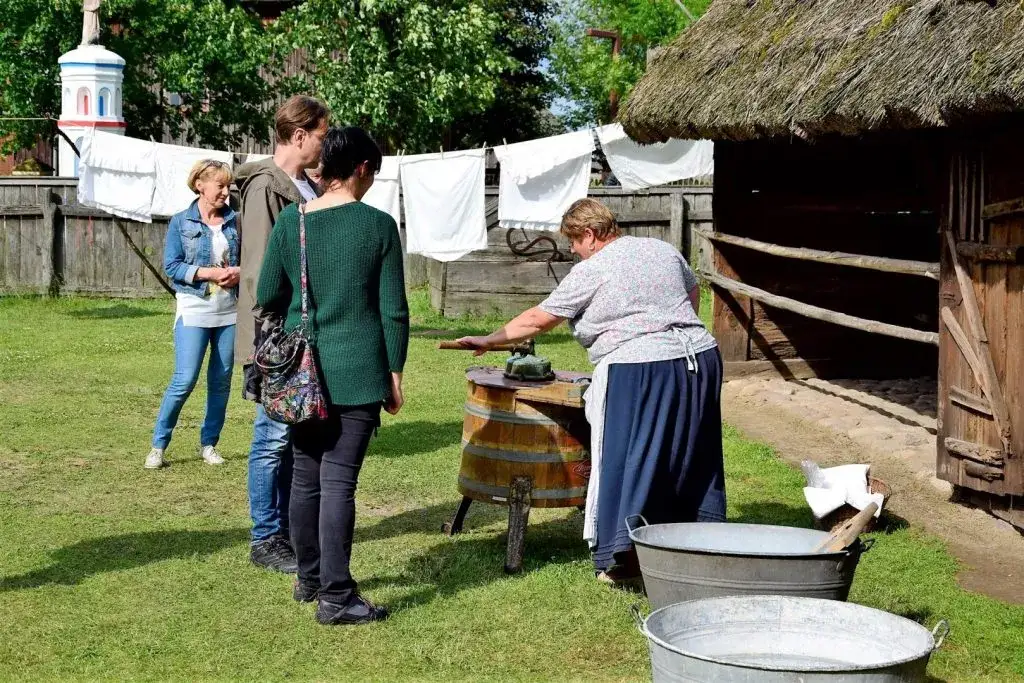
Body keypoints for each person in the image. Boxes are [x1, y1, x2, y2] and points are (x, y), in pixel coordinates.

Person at [456, 198, 725, 586]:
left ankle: (624, 559)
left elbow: (537, 319)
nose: (573, 251)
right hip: (700, 358)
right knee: (689, 455)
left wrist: (488, 339)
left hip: (643, 368)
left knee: (628, 458)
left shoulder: (593, 268)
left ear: (591, 234)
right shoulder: (661, 249)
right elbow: (692, 292)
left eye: (574, 242)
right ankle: (694, 546)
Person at [256, 126, 409, 625]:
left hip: (301, 375)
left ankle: (310, 578)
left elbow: (268, 294)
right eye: (373, 173)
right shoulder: (378, 226)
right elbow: (393, 310)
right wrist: (395, 372)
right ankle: (337, 596)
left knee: (305, 478)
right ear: (362, 169)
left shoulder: (292, 222)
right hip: (359, 372)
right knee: (339, 483)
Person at [235, 95, 330, 574]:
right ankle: (265, 537)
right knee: (271, 438)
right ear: (299, 135)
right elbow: (258, 270)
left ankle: (291, 531)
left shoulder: (304, 186)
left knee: (294, 435)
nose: (325, 144)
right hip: (275, 338)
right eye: (321, 135)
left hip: (303, 332)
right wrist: (267, 343)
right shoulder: (266, 188)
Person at [146, 160, 240, 469]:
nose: (226, 192)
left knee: (221, 381)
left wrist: (238, 272)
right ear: (200, 185)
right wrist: (207, 272)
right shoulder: (180, 222)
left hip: (229, 311)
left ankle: (209, 444)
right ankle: (158, 445)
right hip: (194, 308)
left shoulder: (236, 222)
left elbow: (251, 258)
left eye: (228, 186)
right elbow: (172, 265)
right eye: (220, 186)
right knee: (184, 379)